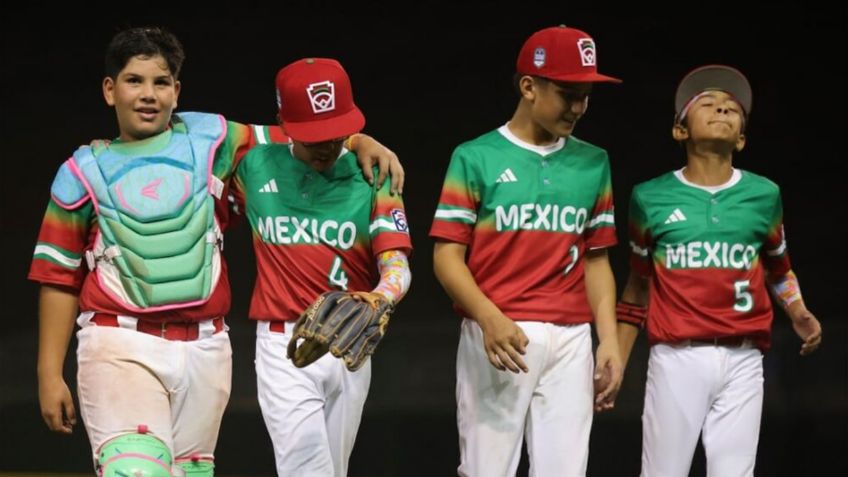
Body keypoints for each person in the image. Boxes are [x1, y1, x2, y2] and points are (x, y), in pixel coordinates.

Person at [30, 27, 403, 476]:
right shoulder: (80, 172)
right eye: (134, 81)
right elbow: (58, 275)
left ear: (177, 90)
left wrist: (360, 139)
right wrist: (49, 373)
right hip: (119, 340)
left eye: (160, 82)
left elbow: (299, 135)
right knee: (137, 470)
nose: (148, 94)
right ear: (110, 90)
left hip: (206, 348)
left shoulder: (216, 139)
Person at [430, 25, 624, 476]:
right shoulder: (475, 157)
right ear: (529, 86)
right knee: (486, 470)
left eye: (586, 95)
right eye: (567, 93)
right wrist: (488, 317)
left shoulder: (594, 161)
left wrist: (609, 337)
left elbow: (597, 258)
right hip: (500, 334)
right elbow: (446, 255)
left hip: (572, 336)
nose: (578, 107)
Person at [615, 64, 823, 477]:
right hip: (676, 357)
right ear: (680, 131)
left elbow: (779, 270)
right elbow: (638, 287)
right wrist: (616, 363)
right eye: (707, 104)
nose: (722, 109)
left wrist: (797, 311)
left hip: (744, 357)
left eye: (732, 109)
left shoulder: (764, 195)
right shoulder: (649, 197)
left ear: (741, 138)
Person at [231, 57, 413, 476]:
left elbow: (396, 264)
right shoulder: (253, 164)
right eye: (315, 136)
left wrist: (379, 298)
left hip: (349, 343)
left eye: (337, 133)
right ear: (284, 122)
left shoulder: (375, 174)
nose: (329, 145)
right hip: (284, 343)